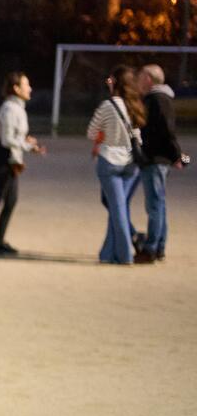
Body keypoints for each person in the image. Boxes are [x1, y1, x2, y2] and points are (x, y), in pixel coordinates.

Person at [87, 66, 145, 266]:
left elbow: (91, 132)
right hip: (131, 163)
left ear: (116, 83)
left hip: (109, 161)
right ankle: (107, 253)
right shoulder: (135, 104)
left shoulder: (107, 106)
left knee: (118, 210)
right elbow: (138, 136)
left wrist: (103, 136)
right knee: (117, 208)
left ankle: (124, 254)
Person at [0, 72, 45, 255]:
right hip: (1, 160)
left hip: (11, 160)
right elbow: (6, 140)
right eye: (26, 85)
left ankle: (0, 241)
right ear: (16, 88)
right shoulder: (10, 108)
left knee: (10, 201)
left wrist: (27, 142)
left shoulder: (17, 107)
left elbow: (14, 136)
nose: (30, 88)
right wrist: (27, 145)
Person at [136, 63, 190, 264]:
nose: (138, 82)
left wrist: (178, 157)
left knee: (155, 205)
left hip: (156, 160)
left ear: (149, 79)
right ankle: (158, 247)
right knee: (159, 205)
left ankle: (151, 249)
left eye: (141, 77)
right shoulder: (158, 99)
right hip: (157, 159)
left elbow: (167, 133)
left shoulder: (158, 99)